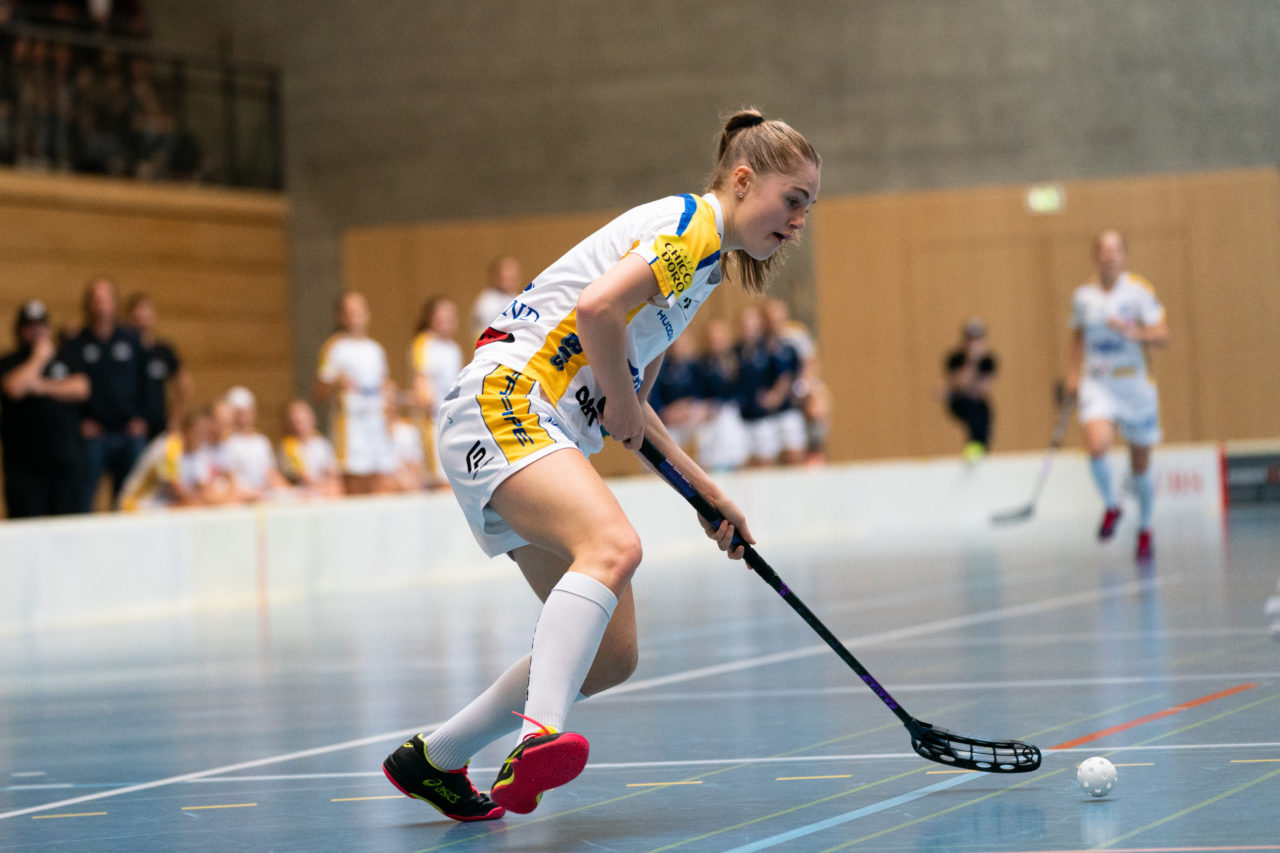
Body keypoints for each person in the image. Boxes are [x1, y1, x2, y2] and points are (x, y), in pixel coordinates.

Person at [381, 108, 820, 821]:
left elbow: (632, 411)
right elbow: (597, 309)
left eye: (808, 207)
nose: (799, 220)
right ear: (744, 181)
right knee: (613, 546)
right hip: (506, 401)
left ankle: (433, 756)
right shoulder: (690, 227)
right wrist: (618, 394)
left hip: (528, 426)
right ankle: (538, 736)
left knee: (611, 655)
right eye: (793, 199)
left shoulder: (701, 269)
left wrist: (710, 496)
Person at [1064, 229, 1168, 562]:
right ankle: (1112, 505)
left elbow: (1162, 335)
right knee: (1096, 447)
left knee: (1140, 462)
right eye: (1104, 251)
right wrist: (1072, 374)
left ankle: (1146, 526)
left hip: (1135, 385)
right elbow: (1078, 335)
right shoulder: (1083, 297)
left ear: (1123, 255)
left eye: (1115, 250)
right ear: (1096, 257)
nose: (1109, 256)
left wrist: (1132, 331)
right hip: (1099, 384)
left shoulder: (1139, 291)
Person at [0, 299, 90, 518]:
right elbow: (13, 387)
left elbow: (81, 387)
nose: (35, 331)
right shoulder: (10, 361)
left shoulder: (65, 358)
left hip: (64, 463)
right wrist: (39, 358)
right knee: (27, 529)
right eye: (29, 325)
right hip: (24, 469)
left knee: (66, 531)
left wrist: (39, 386)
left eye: (40, 324)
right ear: (19, 330)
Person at [66, 276, 149, 510]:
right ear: (88, 304)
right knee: (84, 496)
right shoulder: (77, 344)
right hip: (94, 433)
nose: (101, 304)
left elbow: (147, 383)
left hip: (128, 431)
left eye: (106, 299)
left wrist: (142, 417)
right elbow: (68, 389)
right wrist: (80, 421)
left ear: (114, 303)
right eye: (96, 299)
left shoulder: (131, 341)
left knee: (129, 498)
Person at [315, 291, 394, 495]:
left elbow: (383, 387)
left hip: (375, 424)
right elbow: (319, 392)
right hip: (351, 427)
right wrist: (335, 383)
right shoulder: (334, 348)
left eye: (358, 312)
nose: (354, 317)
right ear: (341, 317)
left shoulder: (376, 350)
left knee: (381, 481)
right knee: (355, 483)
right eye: (349, 313)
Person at [408, 296, 463, 487]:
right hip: (431, 422)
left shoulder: (454, 349)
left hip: (451, 421)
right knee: (439, 480)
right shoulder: (424, 344)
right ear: (431, 318)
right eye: (442, 315)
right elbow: (420, 379)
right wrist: (424, 398)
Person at [127, 292, 191, 441]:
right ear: (130, 316)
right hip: (130, 429)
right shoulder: (123, 351)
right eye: (137, 311)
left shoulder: (163, 350)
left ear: (153, 315)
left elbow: (185, 386)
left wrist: (175, 421)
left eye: (146, 310)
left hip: (159, 425)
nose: (141, 315)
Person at [942, 317, 998, 462]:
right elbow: (959, 384)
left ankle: (980, 450)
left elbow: (982, 389)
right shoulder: (955, 358)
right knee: (970, 408)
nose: (973, 343)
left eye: (977, 339)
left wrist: (968, 386)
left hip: (975, 401)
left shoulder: (988, 360)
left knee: (984, 414)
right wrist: (971, 361)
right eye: (970, 339)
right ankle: (973, 448)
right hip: (959, 402)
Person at [221, 385, 289, 502]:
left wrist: (290, 491)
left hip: (262, 495)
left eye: (245, 412)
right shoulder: (225, 442)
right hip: (240, 498)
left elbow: (271, 474)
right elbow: (228, 479)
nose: (242, 418)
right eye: (238, 413)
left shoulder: (261, 442)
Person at [278, 399, 343, 499]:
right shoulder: (289, 446)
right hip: (302, 492)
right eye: (295, 421)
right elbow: (301, 476)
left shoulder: (322, 444)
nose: (299, 424)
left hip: (323, 490)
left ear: (312, 419)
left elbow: (332, 473)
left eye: (302, 420)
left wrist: (329, 485)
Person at [470, 255, 525, 344]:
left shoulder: (518, 299)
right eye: (506, 271)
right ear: (496, 276)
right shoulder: (487, 301)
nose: (510, 275)